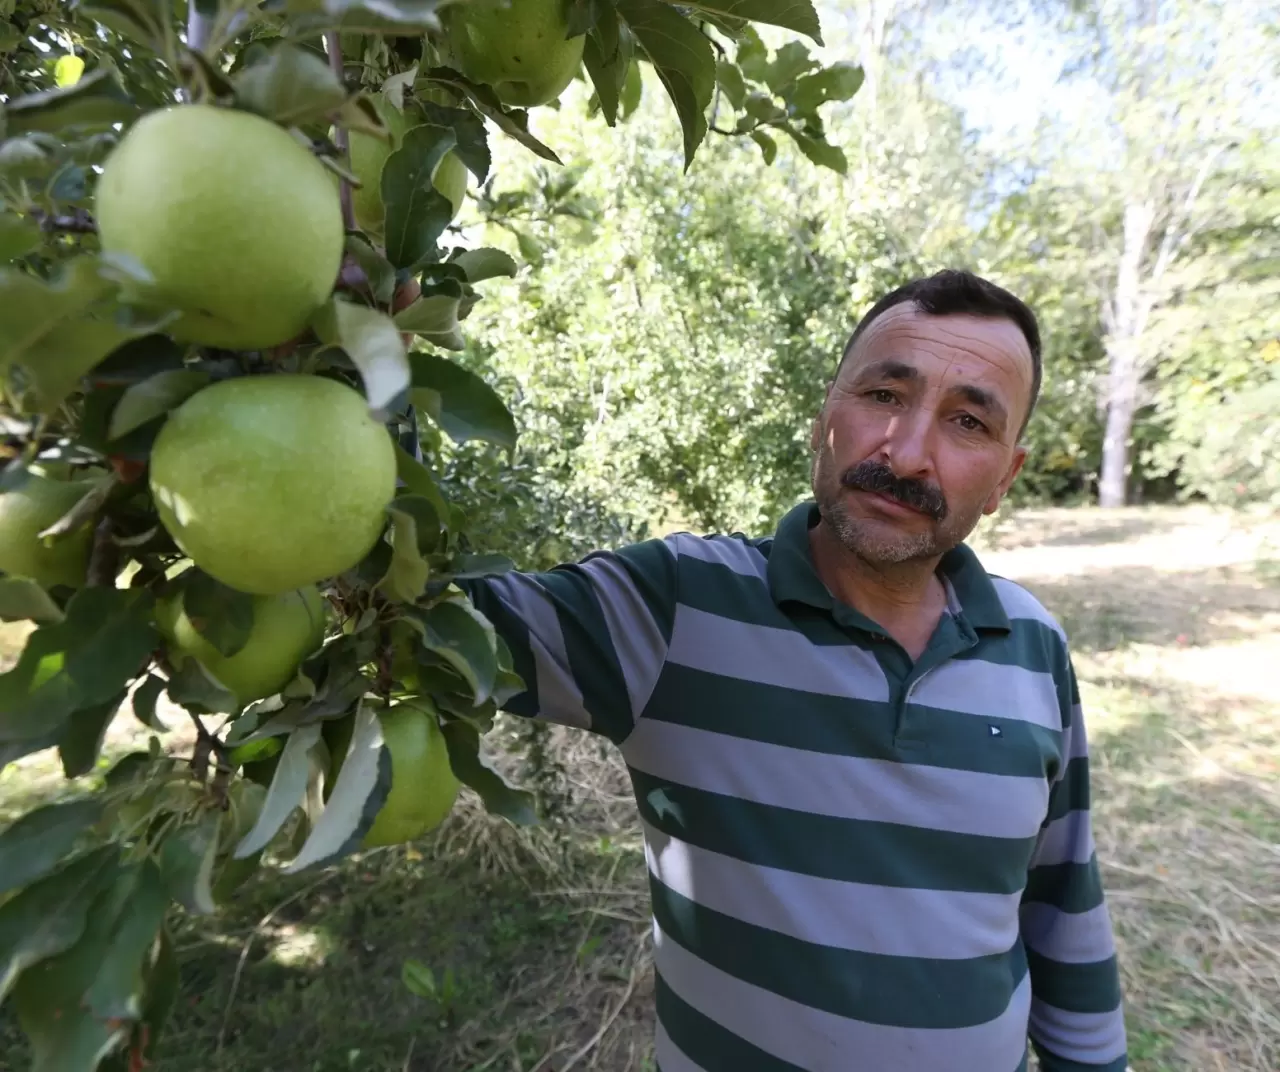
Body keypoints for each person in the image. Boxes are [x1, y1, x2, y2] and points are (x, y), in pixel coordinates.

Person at [461, 269, 1128, 1071]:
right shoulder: (675, 610)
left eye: (967, 422)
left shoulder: (1032, 643)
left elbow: (1062, 903)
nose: (908, 453)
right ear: (825, 418)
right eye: (885, 395)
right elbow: (408, 621)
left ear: (1003, 481)